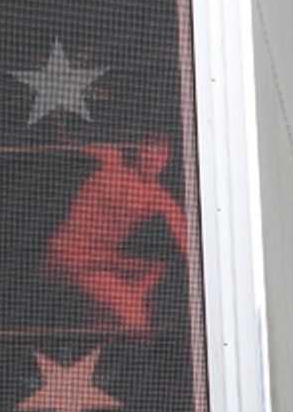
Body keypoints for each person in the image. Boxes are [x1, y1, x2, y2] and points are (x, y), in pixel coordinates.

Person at [43, 137, 186, 334]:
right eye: (146, 150)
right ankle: (130, 317)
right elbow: (75, 145)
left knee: (154, 271)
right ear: (136, 151)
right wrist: (83, 146)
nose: (152, 158)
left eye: (159, 152)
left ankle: (107, 326)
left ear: (167, 157)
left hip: (98, 261)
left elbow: (187, 244)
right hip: (69, 256)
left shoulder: (159, 198)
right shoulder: (112, 169)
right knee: (136, 318)